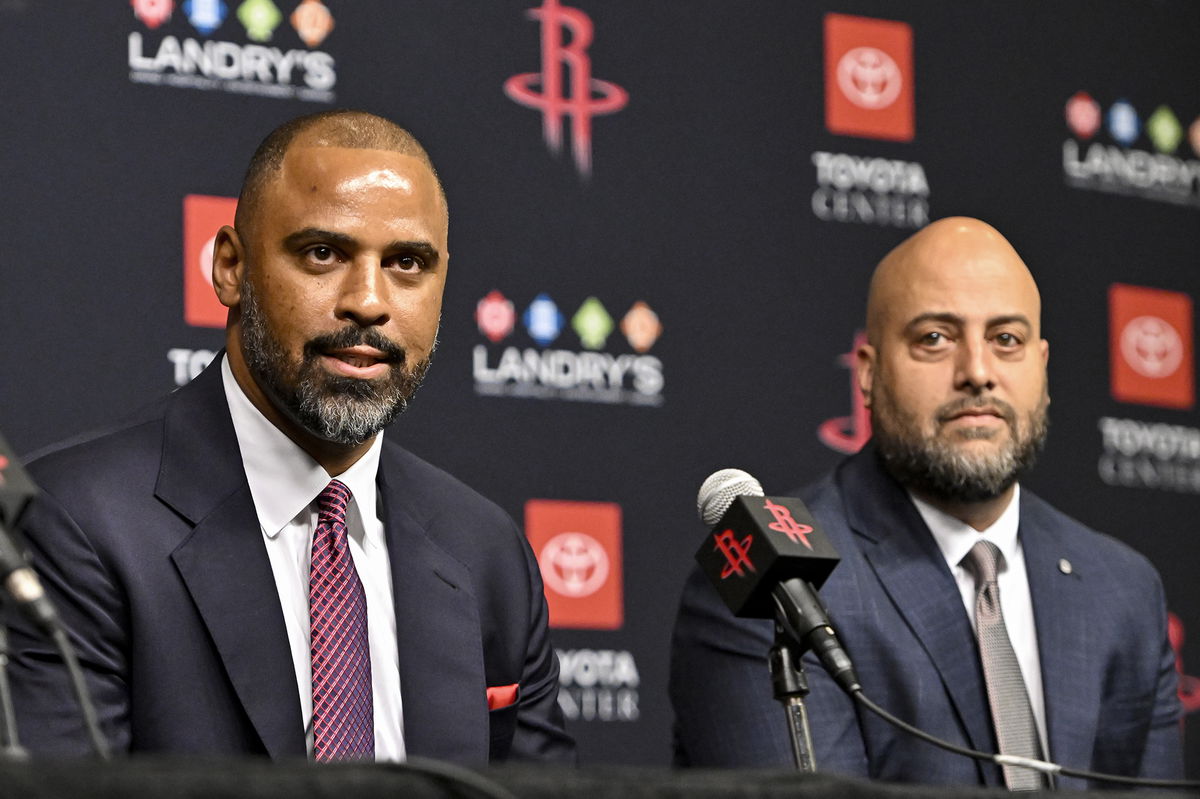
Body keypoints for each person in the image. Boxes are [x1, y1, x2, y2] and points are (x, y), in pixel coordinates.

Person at [8, 110, 574, 764]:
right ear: (230, 268)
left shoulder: (487, 551)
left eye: (407, 262)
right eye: (323, 253)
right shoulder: (75, 521)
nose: (368, 300)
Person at [670, 217, 1182, 789]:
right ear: (867, 373)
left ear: (1042, 366)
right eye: (935, 338)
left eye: (1006, 340)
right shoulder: (773, 583)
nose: (978, 373)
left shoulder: (1123, 589)